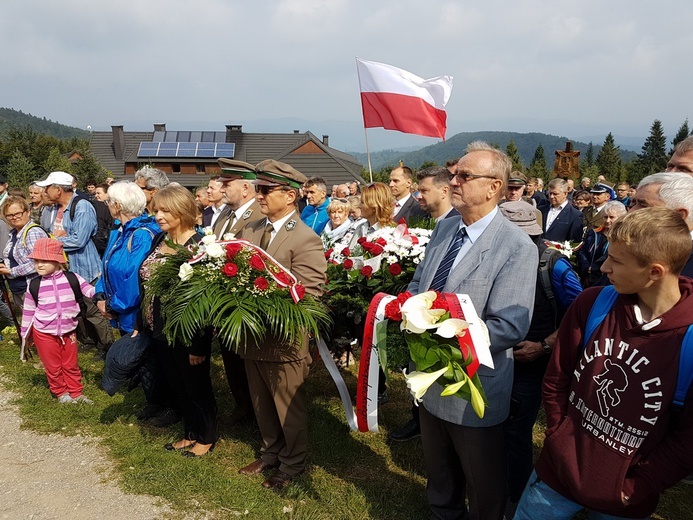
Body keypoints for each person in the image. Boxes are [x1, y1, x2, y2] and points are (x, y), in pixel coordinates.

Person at [515, 207, 693, 520]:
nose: (604, 267)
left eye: (617, 260)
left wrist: (638, 485)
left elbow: (688, 436)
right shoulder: (593, 303)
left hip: (625, 496)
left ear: (655, 271)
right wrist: (558, 438)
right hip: (556, 475)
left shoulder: (687, 337)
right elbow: (558, 378)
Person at [407, 141, 538, 520]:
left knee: (482, 478)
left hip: (473, 382)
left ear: (493, 186)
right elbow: (421, 280)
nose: (453, 182)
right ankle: (443, 512)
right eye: (453, 175)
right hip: (429, 375)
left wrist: (441, 334)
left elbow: (510, 326)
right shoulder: (447, 226)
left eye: (464, 176)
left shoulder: (515, 247)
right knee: (439, 467)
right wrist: (409, 309)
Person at [236, 160, 326, 489]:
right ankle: (270, 452)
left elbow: (310, 293)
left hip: (284, 337)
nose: (258, 195)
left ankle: (292, 463)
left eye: (265, 190)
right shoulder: (251, 228)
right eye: (257, 189)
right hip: (252, 334)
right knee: (261, 401)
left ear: (290, 196)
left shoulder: (305, 239)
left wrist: (266, 307)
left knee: (287, 405)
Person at [499, 200, 582, 518]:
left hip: (531, 365)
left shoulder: (554, 265)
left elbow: (580, 315)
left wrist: (544, 346)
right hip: (497, 358)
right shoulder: (498, 256)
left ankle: (516, 494)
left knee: (516, 431)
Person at [140, 185, 217, 457]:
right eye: (156, 210)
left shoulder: (197, 246)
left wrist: (200, 345)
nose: (159, 215)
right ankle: (189, 433)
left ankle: (206, 436)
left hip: (187, 333)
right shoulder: (160, 240)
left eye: (165, 210)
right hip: (160, 329)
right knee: (178, 385)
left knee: (196, 387)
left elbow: (204, 302)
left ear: (182, 211)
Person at [36, 171, 113, 357]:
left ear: (58, 189)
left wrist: (53, 241)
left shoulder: (82, 206)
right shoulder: (55, 209)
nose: (45, 191)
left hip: (86, 268)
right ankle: (88, 339)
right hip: (69, 268)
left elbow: (79, 240)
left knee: (93, 309)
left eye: (48, 187)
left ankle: (107, 346)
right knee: (77, 307)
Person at [20, 238, 94, 404]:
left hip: (69, 331)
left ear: (57, 260)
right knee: (53, 366)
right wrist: (25, 334)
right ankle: (61, 392)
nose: (39, 264)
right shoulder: (34, 285)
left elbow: (89, 290)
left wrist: (101, 292)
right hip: (44, 333)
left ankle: (76, 392)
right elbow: (28, 311)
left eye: (44, 260)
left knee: (71, 363)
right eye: (36, 261)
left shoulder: (72, 278)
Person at [94, 182, 160, 334]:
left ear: (117, 205)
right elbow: (106, 266)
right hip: (121, 314)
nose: (107, 205)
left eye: (108, 201)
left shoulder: (142, 235)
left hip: (136, 319)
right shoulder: (119, 232)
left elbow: (135, 279)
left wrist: (111, 305)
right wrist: (100, 296)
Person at [630, 171, 693, 277]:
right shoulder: (629, 243)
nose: (631, 212)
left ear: (679, 216)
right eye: (634, 203)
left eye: (643, 206)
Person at [0, 196, 49, 311]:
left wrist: (11, 271)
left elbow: (38, 263)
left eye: (18, 213)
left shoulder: (32, 233)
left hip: (34, 289)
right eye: (9, 215)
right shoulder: (14, 233)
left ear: (28, 212)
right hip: (21, 289)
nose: (14, 218)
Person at [577, 201, 627, 287]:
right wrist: (586, 266)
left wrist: (594, 268)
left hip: (606, 278)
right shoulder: (594, 233)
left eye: (612, 217)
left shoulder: (622, 238)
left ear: (620, 218)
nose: (608, 221)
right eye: (605, 217)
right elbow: (582, 250)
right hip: (587, 277)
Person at [541, 178, 584, 243]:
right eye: (550, 193)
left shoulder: (575, 215)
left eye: (555, 194)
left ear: (565, 193)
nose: (552, 196)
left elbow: (575, 242)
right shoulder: (542, 210)